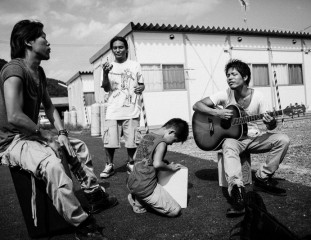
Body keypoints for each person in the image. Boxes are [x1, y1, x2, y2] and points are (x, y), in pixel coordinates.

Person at [0, 19, 117, 238]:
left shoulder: (39, 72)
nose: (49, 42)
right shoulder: (13, 69)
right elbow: (14, 114)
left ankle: (93, 194)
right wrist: (45, 136)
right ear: (28, 41)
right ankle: (81, 224)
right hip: (12, 141)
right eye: (43, 37)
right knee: (52, 164)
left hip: (30, 135)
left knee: (78, 146)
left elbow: (50, 106)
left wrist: (62, 134)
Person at [193, 59, 290, 217]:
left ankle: (262, 178)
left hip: (254, 137)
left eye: (234, 74)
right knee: (228, 145)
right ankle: (237, 192)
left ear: (245, 77)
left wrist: (271, 122)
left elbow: (270, 127)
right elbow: (197, 105)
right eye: (228, 75)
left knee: (283, 139)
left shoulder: (258, 96)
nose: (229, 77)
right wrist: (217, 113)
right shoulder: (225, 94)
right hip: (235, 140)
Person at [100, 36, 145, 178]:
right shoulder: (107, 66)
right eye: (115, 48)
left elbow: (141, 84)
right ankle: (109, 165)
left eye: (120, 47)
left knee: (132, 141)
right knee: (109, 141)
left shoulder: (135, 65)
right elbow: (106, 89)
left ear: (126, 49)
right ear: (112, 50)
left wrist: (140, 88)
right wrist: (106, 73)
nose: (118, 50)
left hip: (131, 110)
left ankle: (131, 163)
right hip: (113, 110)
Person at [127, 118, 189, 217]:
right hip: (146, 187)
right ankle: (138, 198)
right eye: (174, 140)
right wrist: (170, 167)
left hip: (132, 182)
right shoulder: (162, 143)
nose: (171, 143)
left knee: (143, 187)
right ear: (171, 132)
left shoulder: (147, 136)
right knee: (175, 210)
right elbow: (157, 164)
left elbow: (135, 157)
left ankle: (138, 200)